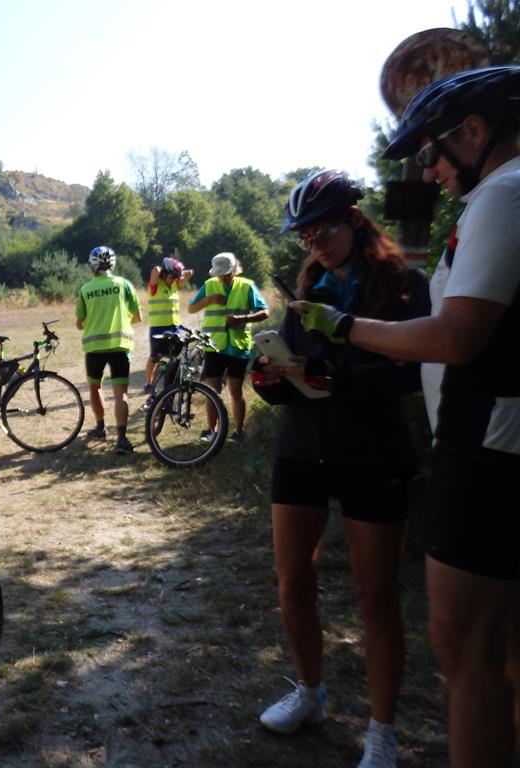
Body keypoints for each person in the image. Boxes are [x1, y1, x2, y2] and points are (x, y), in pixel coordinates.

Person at [293, 66, 520, 767]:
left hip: (482, 449)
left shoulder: (501, 196)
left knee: (470, 658)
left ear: (474, 132)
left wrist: (346, 330)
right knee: (499, 656)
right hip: (481, 441)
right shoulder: (500, 196)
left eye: (432, 151)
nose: (429, 169)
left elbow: (452, 337)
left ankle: (384, 733)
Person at [252, 170, 430, 768]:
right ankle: (310, 693)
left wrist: (334, 375)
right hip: (303, 447)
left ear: (355, 220)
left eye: (323, 232)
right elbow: (295, 378)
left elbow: (411, 372)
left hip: (373, 450)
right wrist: (271, 379)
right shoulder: (310, 288)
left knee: (376, 597)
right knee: (291, 583)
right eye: (306, 238)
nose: (315, 246)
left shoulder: (404, 286)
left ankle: (382, 731)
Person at [187, 252, 268, 443]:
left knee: (235, 391)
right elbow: (191, 308)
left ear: (234, 270)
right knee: (212, 391)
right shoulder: (209, 285)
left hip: (238, 347)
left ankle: (239, 433)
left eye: (226, 273)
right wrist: (210, 299)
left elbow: (264, 312)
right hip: (214, 346)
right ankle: (211, 432)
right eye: (219, 274)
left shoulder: (246, 286)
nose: (222, 277)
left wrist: (242, 318)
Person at [75, 245, 142, 455]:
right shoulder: (124, 285)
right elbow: (138, 317)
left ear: (92, 266)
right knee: (121, 393)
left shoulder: (85, 289)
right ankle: (121, 439)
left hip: (94, 348)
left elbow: (79, 323)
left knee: (95, 387)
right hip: (120, 347)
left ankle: (100, 427)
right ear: (112, 264)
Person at [143, 256, 194, 394]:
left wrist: (177, 272)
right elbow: (155, 270)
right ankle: (149, 384)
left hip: (174, 326)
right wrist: (166, 268)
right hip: (158, 327)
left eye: (175, 278)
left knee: (177, 356)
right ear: (164, 274)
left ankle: (172, 383)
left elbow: (190, 273)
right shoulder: (155, 286)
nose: (173, 280)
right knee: (155, 357)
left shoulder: (174, 284)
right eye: (171, 277)